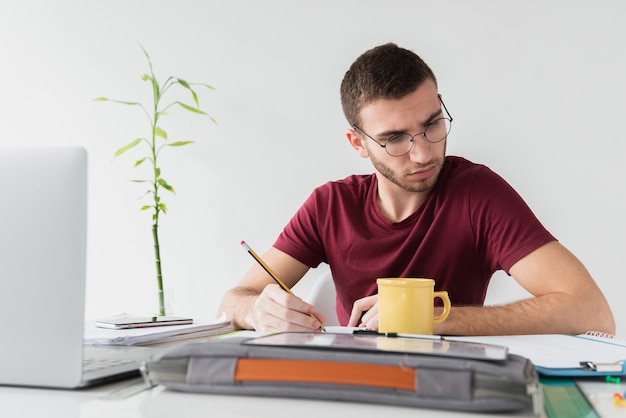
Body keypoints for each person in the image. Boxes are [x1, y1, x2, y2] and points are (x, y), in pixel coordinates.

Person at [219, 43, 615, 336]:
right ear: (358, 143)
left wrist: (435, 318)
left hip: (450, 389)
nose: (424, 153)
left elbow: (592, 311)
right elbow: (234, 299)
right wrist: (258, 310)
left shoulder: (478, 194)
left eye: (433, 124)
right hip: (351, 389)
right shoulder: (330, 206)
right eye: (395, 138)